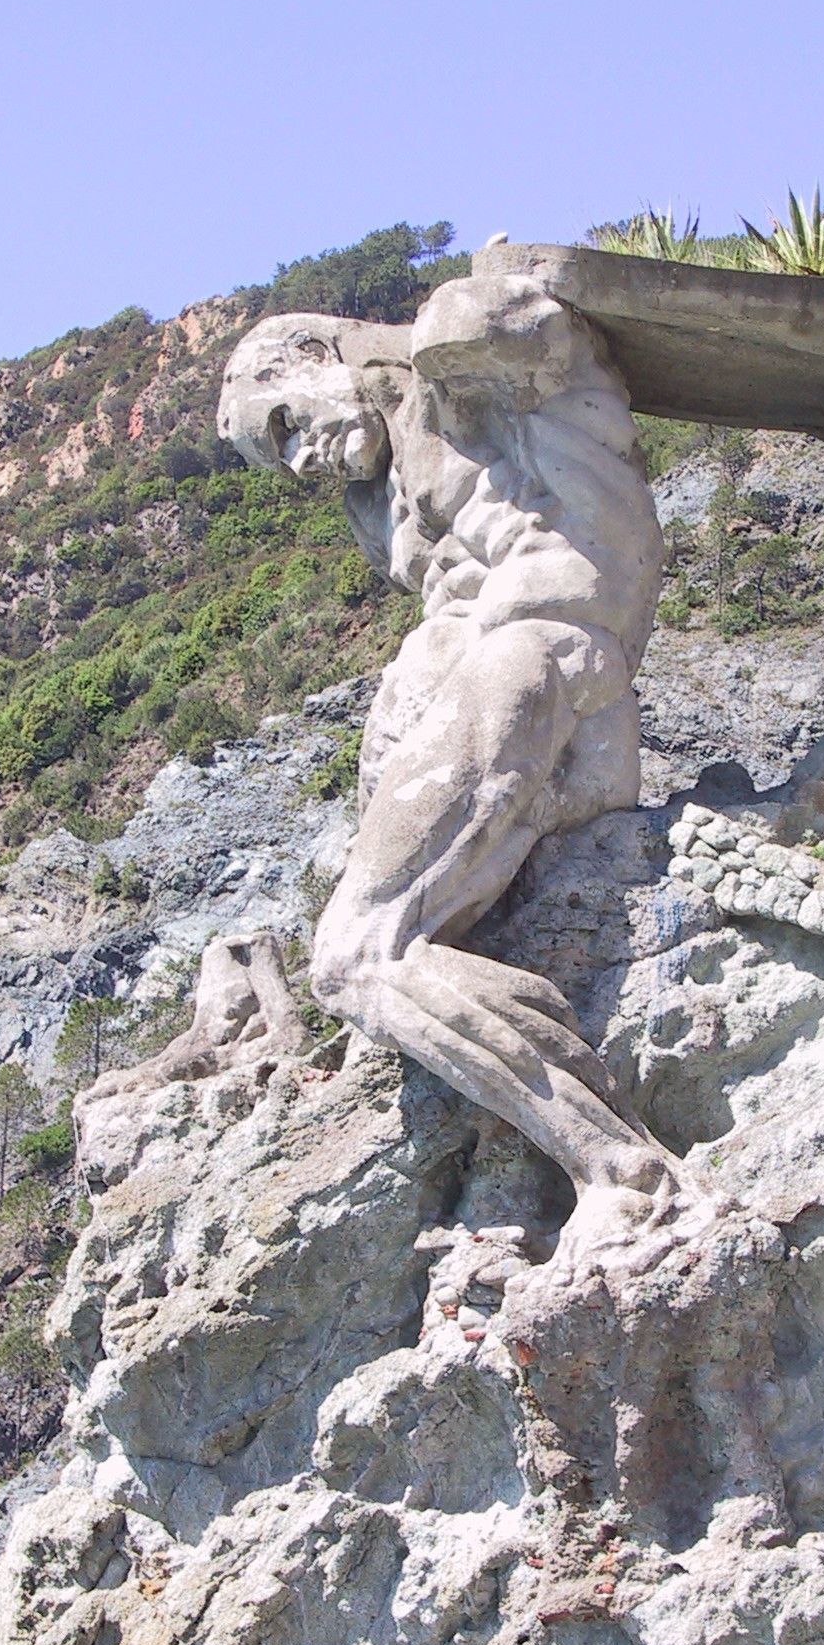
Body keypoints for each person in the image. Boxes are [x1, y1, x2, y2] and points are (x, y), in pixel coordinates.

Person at [217, 276, 681, 1227]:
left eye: (287, 426)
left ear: (314, 357)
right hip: (528, 696)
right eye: (281, 458)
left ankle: (619, 1166)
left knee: (355, 955)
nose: (301, 462)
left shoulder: (453, 372)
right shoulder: (379, 490)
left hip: (543, 664)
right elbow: (444, 613)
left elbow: (528, 333)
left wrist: (471, 314)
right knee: (384, 932)